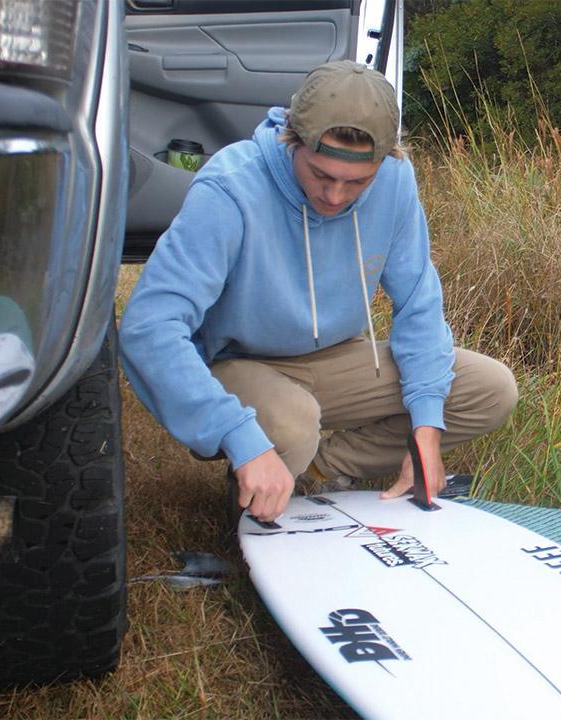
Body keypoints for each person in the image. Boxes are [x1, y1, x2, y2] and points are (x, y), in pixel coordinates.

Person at [120, 61, 518, 523]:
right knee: (293, 423)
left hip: (336, 356)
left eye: (356, 183)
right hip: (242, 362)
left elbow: (419, 302)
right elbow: (148, 328)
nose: (334, 196)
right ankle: (256, 473)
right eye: (320, 175)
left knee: (489, 390)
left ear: (387, 161)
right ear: (293, 140)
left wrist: (425, 428)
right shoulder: (230, 187)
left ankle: (314, 473)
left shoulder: (394, 181)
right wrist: (238, 434)